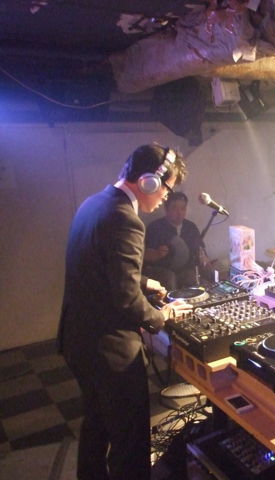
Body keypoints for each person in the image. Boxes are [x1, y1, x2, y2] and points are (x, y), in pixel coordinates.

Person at [57, 144, 193, 480]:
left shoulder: (93, 203)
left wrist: (145, 281)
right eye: (167, 188)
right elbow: (127, 301)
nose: (166, 197)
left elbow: (98, 266)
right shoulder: (126, 219)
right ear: (148, 181)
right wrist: (164, 316)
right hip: (110, 351)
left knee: (97, 423)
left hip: (77, 340)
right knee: (130, 441)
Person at [143, 191, 215, 290]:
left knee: (193, 277)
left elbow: (200, 250)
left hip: (185, 270)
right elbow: (144, 255)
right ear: (166, 209)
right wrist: (157, 254)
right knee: (170, 278)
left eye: (183, 208)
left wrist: (205, 261)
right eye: (174, 208)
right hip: (162, 270)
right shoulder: (155, 227)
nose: (179, 212)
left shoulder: (191, 227)